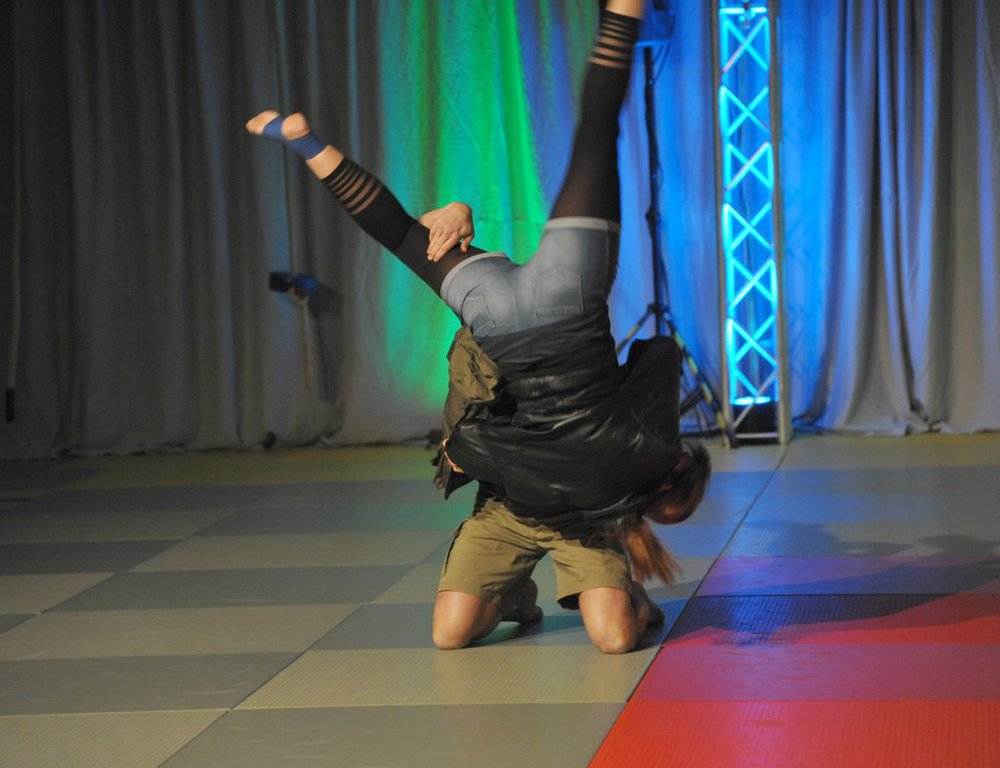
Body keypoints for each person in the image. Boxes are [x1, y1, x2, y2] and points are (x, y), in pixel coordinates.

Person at [246, 0, 711, 653]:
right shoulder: (632, 469)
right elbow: (648, 363)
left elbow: (657, 355)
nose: (662, 517)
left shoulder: (642, 459)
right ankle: (307, 144)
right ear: (661, 490)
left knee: (586, 137)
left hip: (542, 305)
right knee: (405, 233)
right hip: (526, 313)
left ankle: (306, 141)